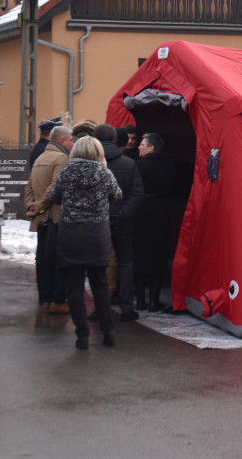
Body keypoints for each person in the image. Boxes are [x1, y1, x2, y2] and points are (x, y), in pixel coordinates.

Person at [48, 135, 122, 349]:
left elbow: (55, 196)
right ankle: (108, 332)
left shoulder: (67, 172)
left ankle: (82, 335)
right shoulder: (104, 173)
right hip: (97, 233)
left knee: (74, 286)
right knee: (99, 283)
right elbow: (117, 195)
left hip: (71, 233)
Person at [93, 123, 144, 322]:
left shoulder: (90, 164)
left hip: (96, 223)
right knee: (125, 264)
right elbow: (137, 193)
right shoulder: (128, 164)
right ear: (115, 139)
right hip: (122, 223)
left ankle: (100, 308)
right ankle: (126, 309)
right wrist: (122, 215)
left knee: (99, 265)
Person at [23, 124, 73, 314]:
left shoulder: (41, 157)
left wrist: (31, 205)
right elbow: (55, 188)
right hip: (55, 218)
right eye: (70, 140)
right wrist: (38, 205)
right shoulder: (62, 158)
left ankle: (45, 299)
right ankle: (57, 300)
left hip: (41, 219)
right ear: (61, 140)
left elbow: (28, 186)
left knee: (43, 259)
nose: (72, 143)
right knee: (58, 260)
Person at [133, 132, 176, 311]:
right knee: (159, 255)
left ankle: (141, 300)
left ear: (151, 147)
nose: (138, 147)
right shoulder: (170, 165)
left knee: (139, 255)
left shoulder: (137, 166)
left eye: (142, 144)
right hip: (162, 211)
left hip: (141, 211)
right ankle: (154, 300)